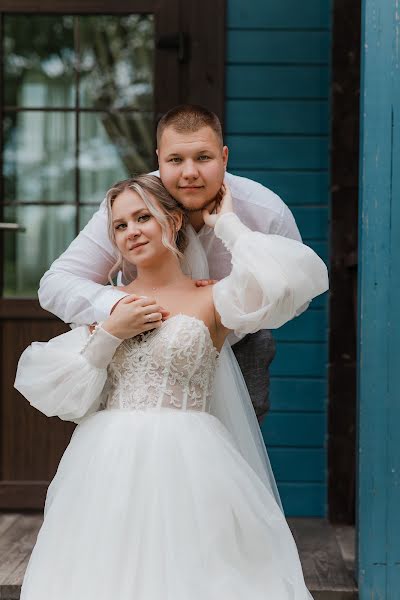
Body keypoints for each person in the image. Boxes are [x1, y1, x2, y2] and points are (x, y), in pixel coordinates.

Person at [15, 175, 328, 599]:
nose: (132, 232)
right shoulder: (104, 304)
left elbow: (293, 279)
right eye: (120, 226)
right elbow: (59, 390)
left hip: (193, 460)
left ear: (174, 221)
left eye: (143, 217)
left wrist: (229, 225)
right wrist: (109, 330)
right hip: (106, 460)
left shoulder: (214, 299)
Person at [38, 104, 305, 423]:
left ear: (224, 157)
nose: (189, 172)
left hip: (239, 345)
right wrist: (122, 304)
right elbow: (56, 284)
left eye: (203, 158)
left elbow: (296, 293)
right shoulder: (129, 206)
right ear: (159, 159)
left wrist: (234, 294)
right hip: (144, 351)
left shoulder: (266, 211)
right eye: (175, 160)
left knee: (235, 461)